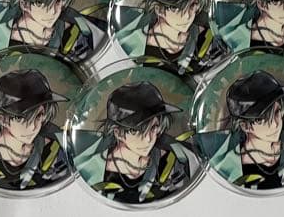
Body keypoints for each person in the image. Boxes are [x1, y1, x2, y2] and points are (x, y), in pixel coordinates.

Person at [71, 83, 201, 204]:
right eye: (138, 131)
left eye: (154, 128)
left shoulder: (174, 161)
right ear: (118, 133)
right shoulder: (92, 170)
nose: (149, 139)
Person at [198, 71, 284, 190]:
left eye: (277, 112)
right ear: (245, 126)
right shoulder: (229, 167)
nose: (275, 124)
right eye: (263, 119)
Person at [0, 70, 70, 191]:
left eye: (38, 116)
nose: (33, 127)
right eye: (22, 119)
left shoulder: (54, 148)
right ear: (3, 119)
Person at [113, 0, 225, 74]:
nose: (188, 16)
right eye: (177, 8)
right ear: (159, 10)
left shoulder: (207, 37)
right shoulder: (137, 47)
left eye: (193, 5)